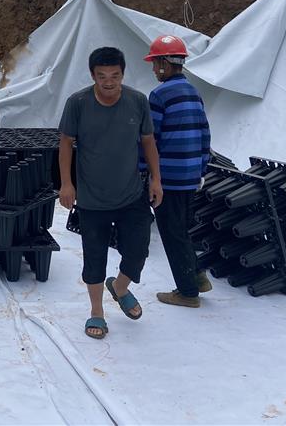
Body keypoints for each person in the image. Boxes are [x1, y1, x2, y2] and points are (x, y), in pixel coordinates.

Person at [58, 47, 163, 340]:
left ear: (123, 75)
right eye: (102, 76)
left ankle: (119, 288)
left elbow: (148, 141)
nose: (109, 82)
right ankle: (97, 312)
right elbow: (66, 142)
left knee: (139, 249)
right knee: (95, 257)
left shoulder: (137, 101)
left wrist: (156, 179)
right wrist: (67, 184)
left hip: (131, 194)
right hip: (92, 198)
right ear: (93, 76)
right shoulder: (77, 103)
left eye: (115, 76)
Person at [142, 35, 213, 308]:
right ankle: (198, 277)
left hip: (168, 179)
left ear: (163, 64)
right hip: (190, 177)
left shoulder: (159, 95)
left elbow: (150, 139)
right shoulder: (193, 92)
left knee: (172, 233)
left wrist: (142, 172)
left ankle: (187, 293)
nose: (152, 69)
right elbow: (206, 134)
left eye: (154, 63)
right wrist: (201, 169)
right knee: (182, 229)